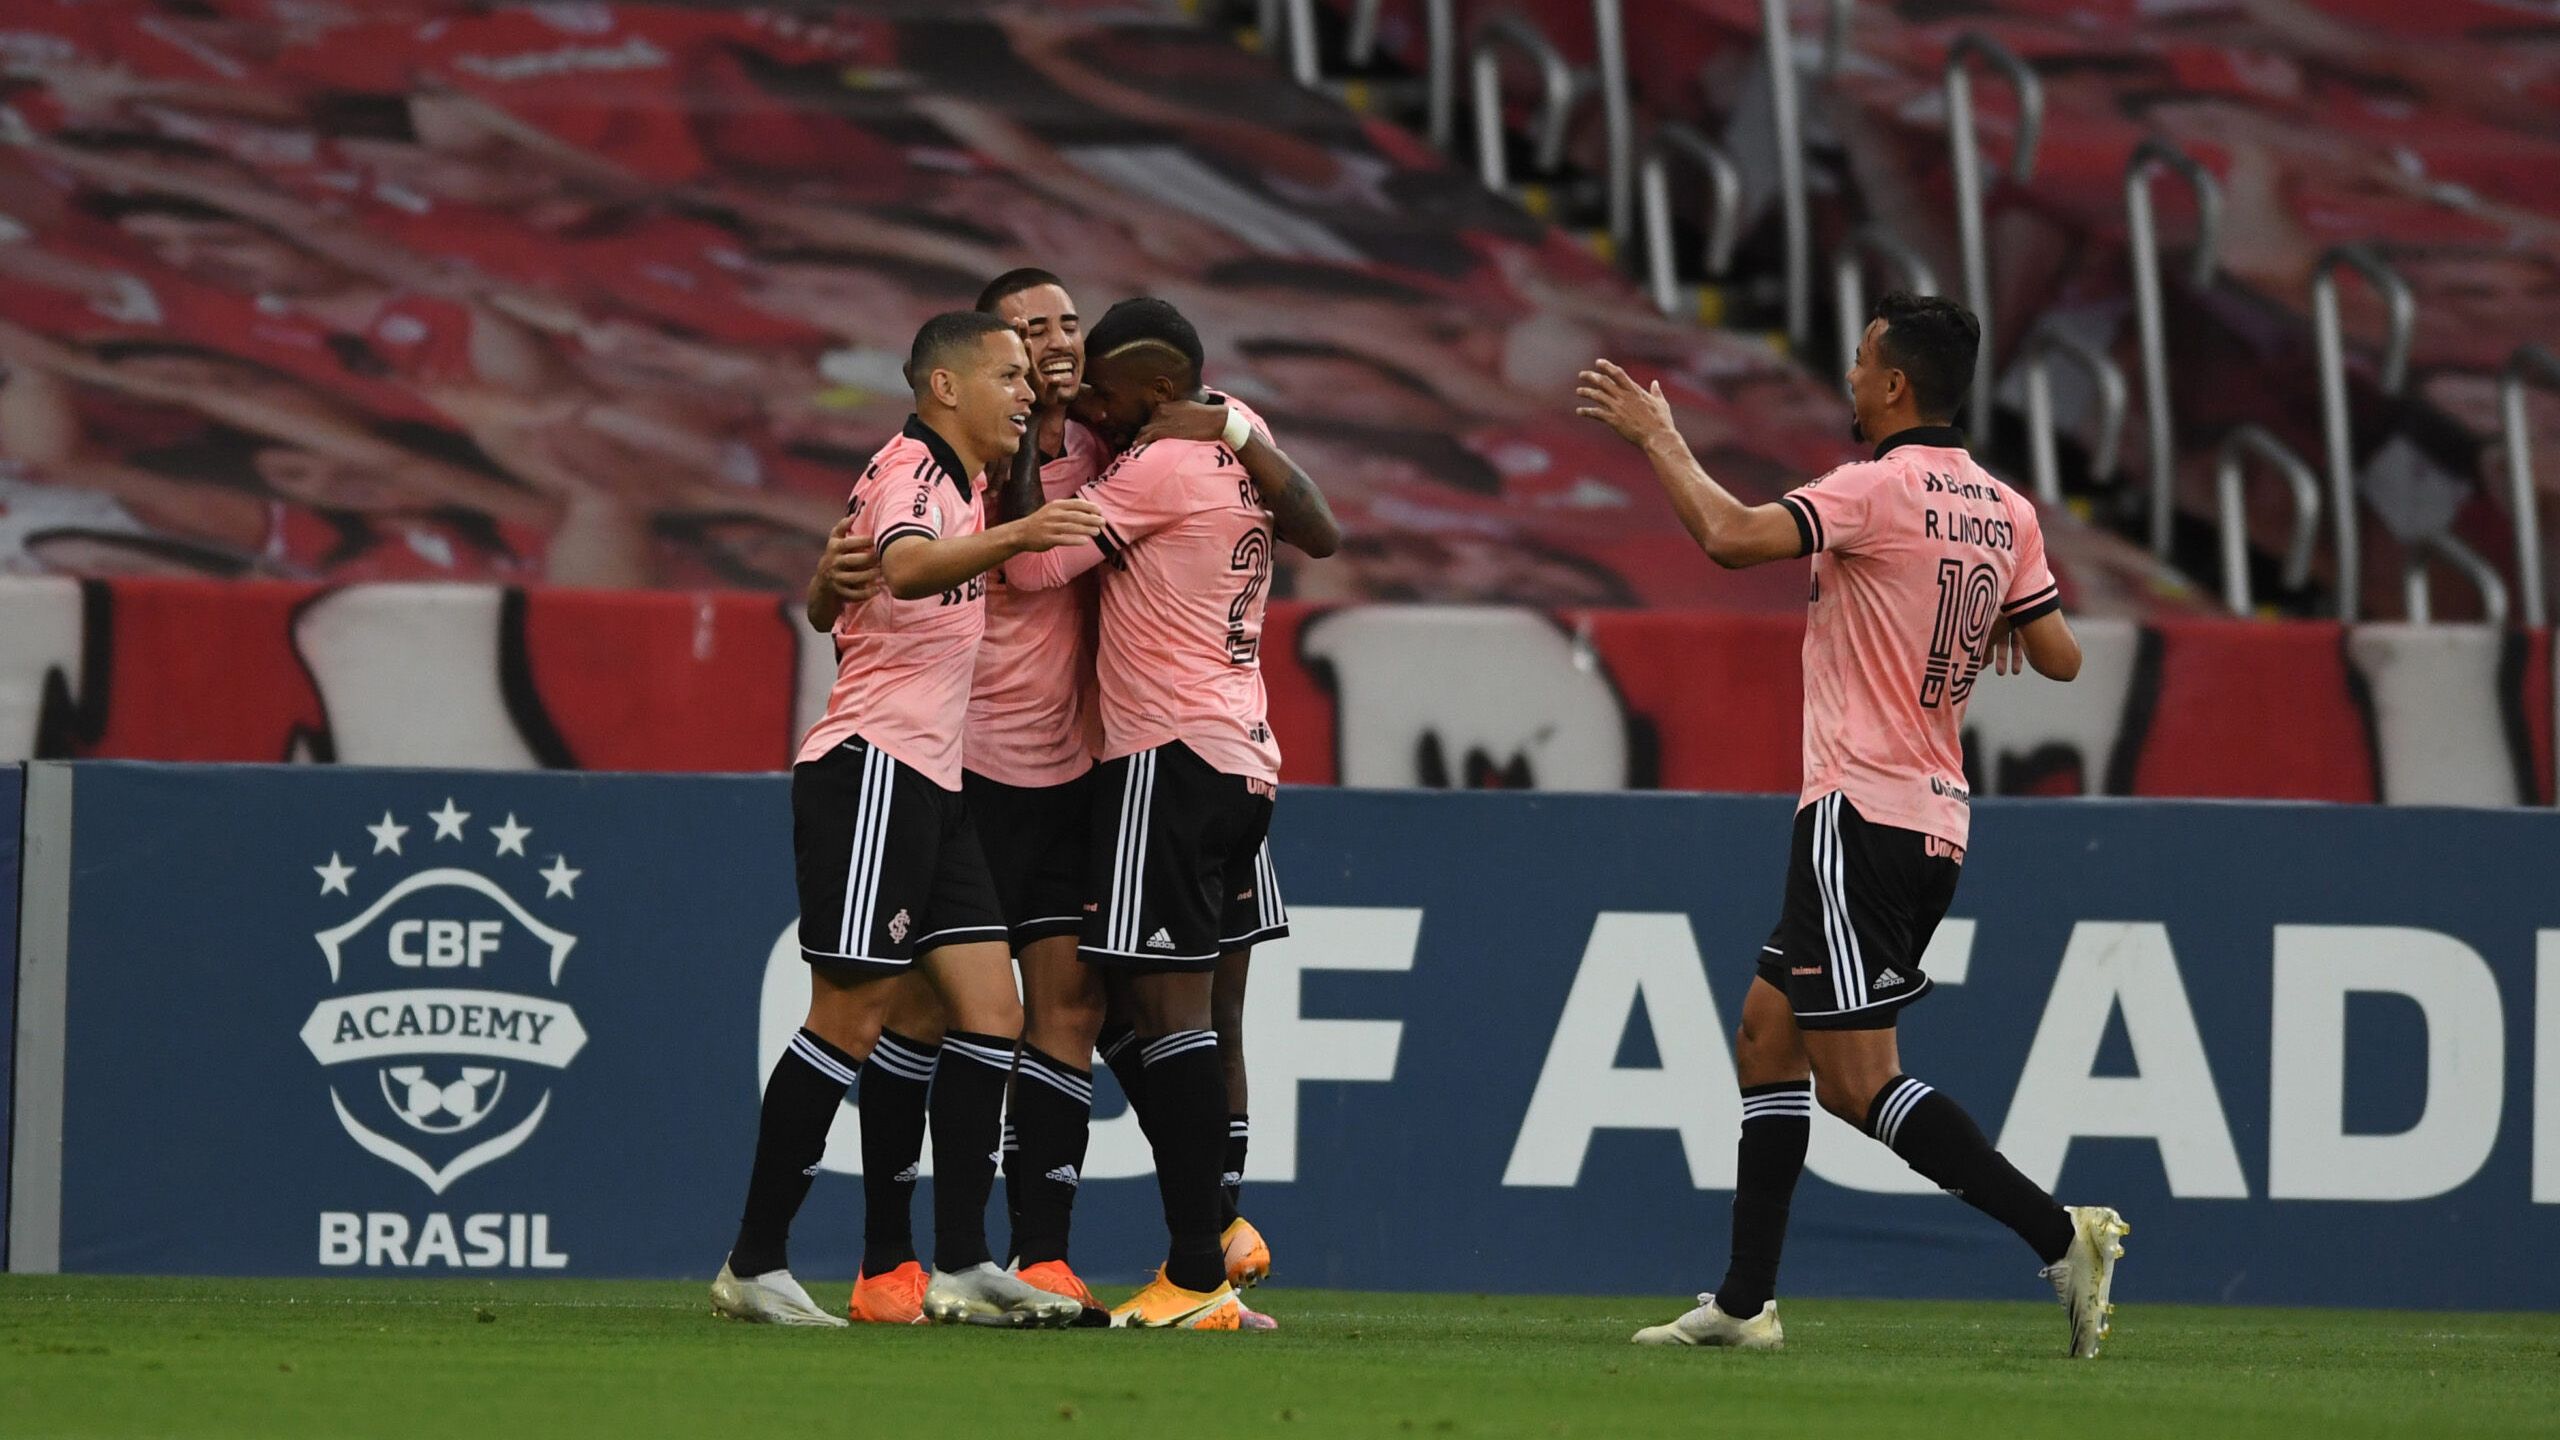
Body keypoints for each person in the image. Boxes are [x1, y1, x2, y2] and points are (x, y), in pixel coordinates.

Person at [1574, 292, 2130, 1359]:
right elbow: (2059, 655)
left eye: (1863, 359)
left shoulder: (1873, 489)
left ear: (1896, 384)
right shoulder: (2005, 510)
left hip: (1857, 814)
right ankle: (1745, 1305)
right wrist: (1975, 619)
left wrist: (1658, 438)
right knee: (1766, 1034)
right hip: (1934, 820)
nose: (1850, 376)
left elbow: (1730, 537)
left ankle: (2060, 1235)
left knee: (1857, 1083)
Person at [709, 309, 1104, 1328]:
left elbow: (840, 599)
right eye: (1008, 375)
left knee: (993, 1010)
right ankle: (754, 1261)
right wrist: (1022, 533)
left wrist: (819, 587)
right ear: (945, 388)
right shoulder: (916, 472)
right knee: (848, 1017)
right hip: (872, 770)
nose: (1026, 392)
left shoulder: (953, 479)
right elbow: (907, 564)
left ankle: (962, 1262)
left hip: (934, 784)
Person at [1002, 297, 1333, 1329]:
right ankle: (1211, 1243)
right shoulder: (1237, 428)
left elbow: (1029, 564)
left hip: (1165, 757)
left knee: (1166, 1019)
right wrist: (1228, 425)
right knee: (1178, 1015)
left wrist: (1032, 440)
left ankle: (1195, 1275)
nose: (1090, 406)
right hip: (1242, 757)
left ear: (1154, 390)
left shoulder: (1153, 469)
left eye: (1104, 393)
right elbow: (1321, 528)